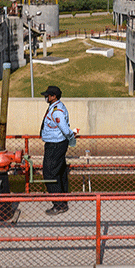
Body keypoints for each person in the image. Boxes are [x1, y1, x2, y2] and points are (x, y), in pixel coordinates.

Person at [40, 85, 76, 215]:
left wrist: (71, 137)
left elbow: (65, 129)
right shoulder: (57, 107)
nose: (46, 97)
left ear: (53, 96)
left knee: (49, 174)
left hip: (55, 145)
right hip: (56, 144)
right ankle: (63, 198)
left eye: (48, 95)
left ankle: (59, 205)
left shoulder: (56, 111)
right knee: (60, 172)